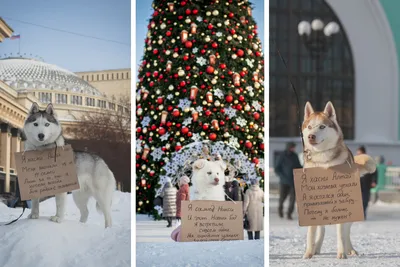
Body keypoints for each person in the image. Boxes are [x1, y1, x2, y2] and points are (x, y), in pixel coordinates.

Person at [274, 142, 302, 220]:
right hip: (284, 182)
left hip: (293, 182)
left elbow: (298, 166)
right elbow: (277, 169)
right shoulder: (282, 156)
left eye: (294, 147)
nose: (293, 149)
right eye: (292, 147)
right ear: (288, 147)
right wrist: (283, 177)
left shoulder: (295, 156)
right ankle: (280, 210)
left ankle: (289, 214)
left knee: (292, 199)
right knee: (282, 198)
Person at [357, 146, 377, 219]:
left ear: (364, 153)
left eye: (360, 153)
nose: (358, 155)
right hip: (357, 183)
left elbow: (374, 171)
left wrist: (374, 181)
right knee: (357, 199)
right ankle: (359, 214)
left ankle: (363, 213)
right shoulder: (356, 160)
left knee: (365, 199)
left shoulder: (369, 160)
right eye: (358, 153)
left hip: (366, 183)